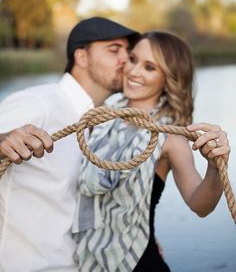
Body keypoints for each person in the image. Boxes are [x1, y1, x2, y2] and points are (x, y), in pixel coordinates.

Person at [72, 31, 230, 271]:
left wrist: (214, 166)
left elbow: (201, 206)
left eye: (149, 67)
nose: (134, 72)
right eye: (133, 60)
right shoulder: (101, 118)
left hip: (139, 263)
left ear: (168, 78)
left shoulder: (171, 137)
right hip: (89, 259)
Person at [0, 17, 139, 272]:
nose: (125, 60)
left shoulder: (111, 121)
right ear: (82, 57)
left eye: (129, 53)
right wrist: (2, 141)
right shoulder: (38, 103)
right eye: (114, 50)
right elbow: (3, 142)